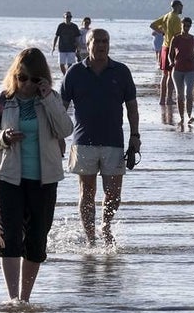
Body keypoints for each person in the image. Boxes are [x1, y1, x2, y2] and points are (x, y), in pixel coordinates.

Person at [0, 48, 73, 302]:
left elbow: (65, 129)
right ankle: (13, 299)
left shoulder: (50, 98)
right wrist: (3, 137)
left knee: (36, 239)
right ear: (15, 75)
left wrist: (47, 99)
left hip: (43, 179)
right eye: (22, 77)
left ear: (42, 79)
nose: (27, 84)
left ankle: (25, 297)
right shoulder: (3, 100)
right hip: (6, 177)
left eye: (34, 79)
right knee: (9, 236)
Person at [60, 29, 140, 246]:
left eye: (106, 41)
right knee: (87, 192)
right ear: (88, 44)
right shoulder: (74, 72)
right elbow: (61, 109)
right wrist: (57, 137)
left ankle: (105, 225)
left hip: (114, 141)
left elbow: (132, 107)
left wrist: (135, 136)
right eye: (97, 41)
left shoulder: (121, 71)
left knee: (113, 194)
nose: (102, 45)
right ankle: (90, 237)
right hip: (83, 141)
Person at [150, 0, 184, 106]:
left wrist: (163, 32)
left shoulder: (167, 16)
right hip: (171, 48)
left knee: (165, 75)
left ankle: (162, 99)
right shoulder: (176, 19)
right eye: (181, 6)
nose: (182, 8)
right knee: (170, 74)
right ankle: (169, 98)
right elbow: (178, 36)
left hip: (164, 47)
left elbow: (153, 25)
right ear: (178, 6)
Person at [169, 17, 194, 124]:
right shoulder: (176, 38)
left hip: (190, 70)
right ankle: (181, 117)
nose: (186, 28)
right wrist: (171, 62)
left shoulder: (193, 38)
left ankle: (189, 115)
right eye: (185, 25)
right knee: (180, 94)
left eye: (188, 26)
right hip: (178, 69)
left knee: (189, 93)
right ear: (181, 25)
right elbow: (171, 54)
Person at [52, 11, 81, 75]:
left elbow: (77, 38)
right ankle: (65, 75)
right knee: (61, 64)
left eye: (70, 17)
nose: (68, 18)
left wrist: (78, 48)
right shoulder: (61, 26)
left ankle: (67, 76)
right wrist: (53, 46)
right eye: (67, 16)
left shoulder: (74, 26)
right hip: (62, 48)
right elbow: (56, 36)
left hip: (71, 48)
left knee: (70, 64)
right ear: (64, 17)